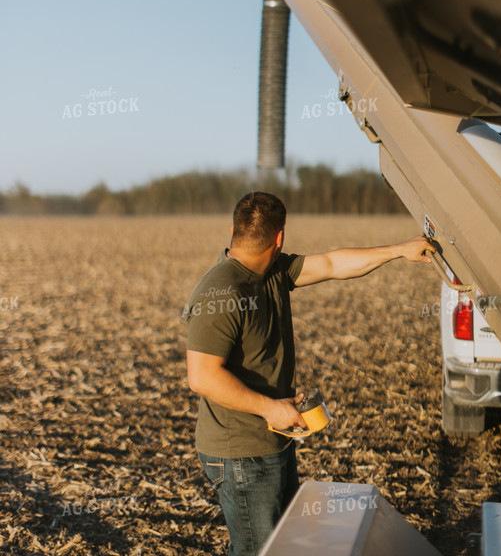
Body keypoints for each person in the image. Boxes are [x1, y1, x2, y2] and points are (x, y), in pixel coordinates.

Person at [184, 191, 435, 556]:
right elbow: (202, 377)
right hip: (240, 453)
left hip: (271, 441)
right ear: (280, 236)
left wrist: (399, 250)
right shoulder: (219, 292)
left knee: (285, 547)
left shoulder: (273, 271)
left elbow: (334, 264)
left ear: (234, 230)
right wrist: (270, 409)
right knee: (258, 551)